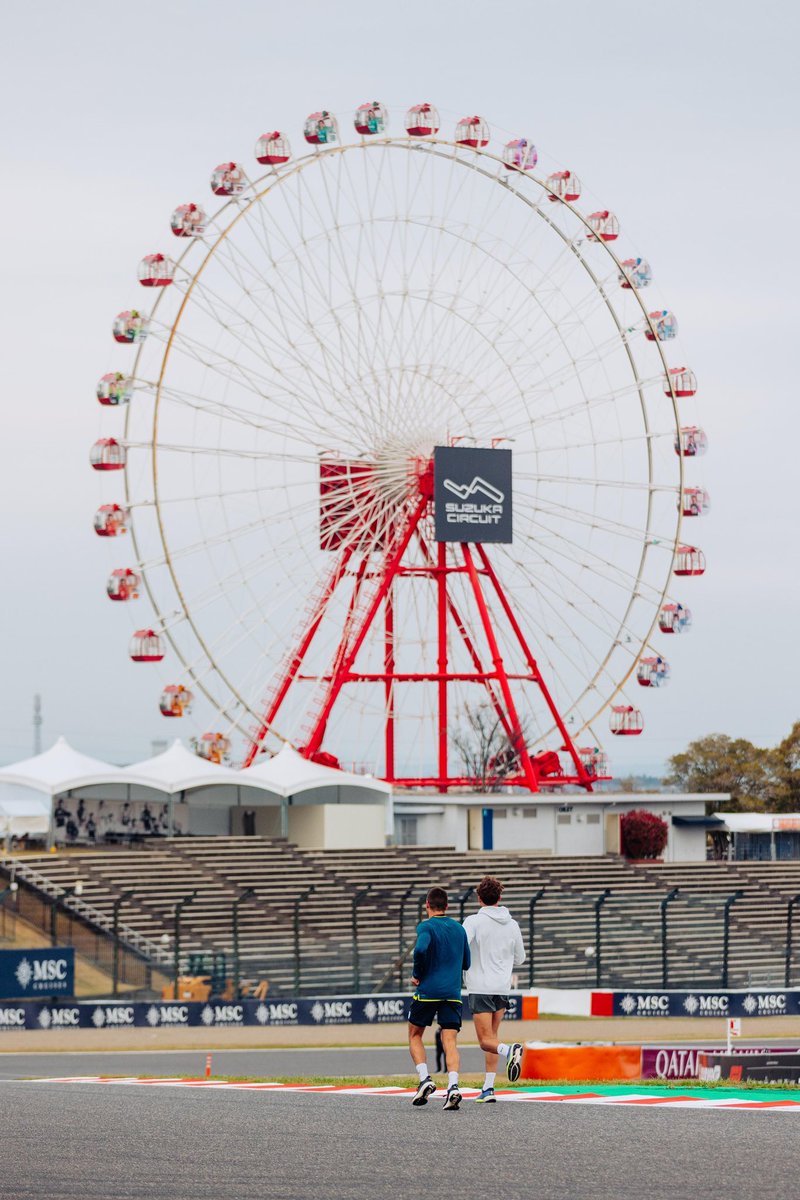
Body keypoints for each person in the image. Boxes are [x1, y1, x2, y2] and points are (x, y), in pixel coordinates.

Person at [463, 875, 526, 1103]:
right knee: (493, 1038)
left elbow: (463, 945)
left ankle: (511, 1051)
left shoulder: (473, 921)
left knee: (485, 1041)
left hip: (480, 986)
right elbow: (520, 958)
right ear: (499, 897)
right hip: (502, 987)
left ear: (479, 899)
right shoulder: (512, 924)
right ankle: (488, 1088)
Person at [407, 886, 470, 1110]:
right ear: (447, 906)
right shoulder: (459, 929)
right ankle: (453, 1086)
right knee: (450, 1040)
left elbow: (421, 950)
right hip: (453, 994)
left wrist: (417, 974)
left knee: (415, 1034)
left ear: (427, 905)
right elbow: (467, 963)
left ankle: (425, 1079)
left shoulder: (426, 927)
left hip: (428, 992)